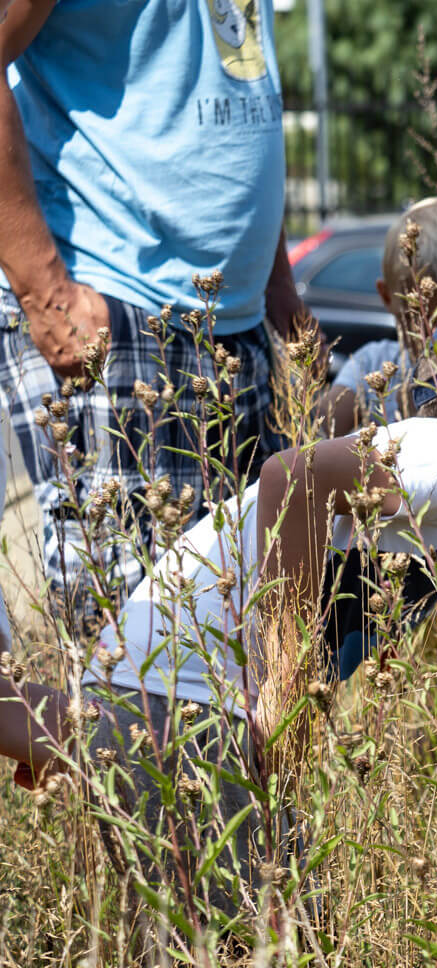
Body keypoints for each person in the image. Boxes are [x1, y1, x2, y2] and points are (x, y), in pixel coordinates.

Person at [0, 302, 437, 923]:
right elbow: (294, 477)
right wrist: (287, 673)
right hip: (206, 700)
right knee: (273, 931)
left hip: (161, 680)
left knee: (123, 764)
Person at [0, 0, 307, 615]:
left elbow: (239, 99)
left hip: (239, 326)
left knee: (252, 630)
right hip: (114, 309)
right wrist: (45, 291)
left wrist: (278, 291)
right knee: (137, 648)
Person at [320, 197, 437, 437]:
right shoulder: (373, 364)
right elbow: (314, 439)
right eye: (417, 317)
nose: (436, 339)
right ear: (387, 297)